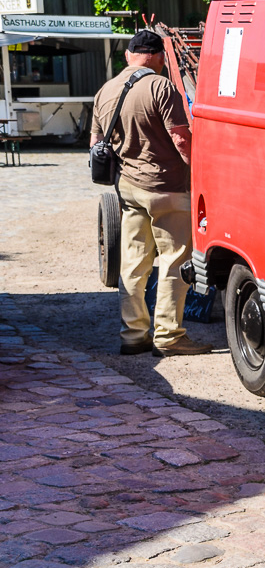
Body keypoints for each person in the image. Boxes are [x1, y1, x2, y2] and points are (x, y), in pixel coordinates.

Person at [89, 30, 211, 357]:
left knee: (133, 263)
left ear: (129, 55)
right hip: (167, 188)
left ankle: (133, 335)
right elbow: (181, 140)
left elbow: (95, 145)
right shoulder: (161, 86)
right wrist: (201, 174)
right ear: (157, 57)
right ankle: (169, 337)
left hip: (128, 189)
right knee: (174, 260)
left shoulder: (105, 91)